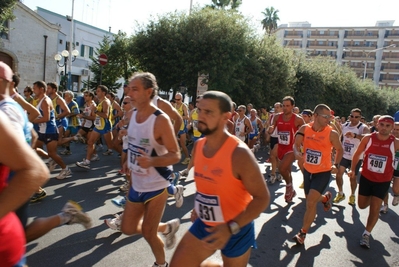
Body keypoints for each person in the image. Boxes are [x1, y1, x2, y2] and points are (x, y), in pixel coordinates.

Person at [170, 91, 270, 267]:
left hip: (237, 229)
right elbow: (206, 184)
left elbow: (262, 198)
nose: (201, 116)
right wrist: (198, 207)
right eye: (200, 110)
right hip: (206, 224)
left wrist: (231, 227)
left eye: (208, 112)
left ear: (226, 117)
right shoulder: (200, 146)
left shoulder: (240, 154)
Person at [120, 72, 182, 267]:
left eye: (135, 89)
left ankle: (161, 264)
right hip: (136, 183)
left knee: (148, 232)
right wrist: (128, 160)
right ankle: (166, 228)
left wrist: (151, 161)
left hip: (157, 186)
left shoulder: (160, 119)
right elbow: (136, 143)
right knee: (127, 228)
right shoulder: (132, 114)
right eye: (129, 88)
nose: (130, 93)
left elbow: (176, 155)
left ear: (149, 92)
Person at [292, 104, 343, 245]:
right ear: (315, 116)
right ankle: (325, 198)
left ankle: (302, 233)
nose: (328, 119)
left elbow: (340, 149)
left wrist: (336, 165)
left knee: (310, 202)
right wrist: (297, 154)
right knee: (311, 198)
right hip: (308, 170)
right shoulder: (304, 129)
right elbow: (296, 145)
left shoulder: (332, 133)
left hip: (323, 172)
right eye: (325, 116)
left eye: (330, 117)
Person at [348, 115, 399, 249]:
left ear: (392, 128)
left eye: (388, 126)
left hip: (383, 181)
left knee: (375, 208)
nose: (384, 128)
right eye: (382, 125)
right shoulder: (368, 138)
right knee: (362, 205)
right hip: (366, 177)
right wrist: (353, 170)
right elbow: (357, 153)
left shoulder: (395, 142)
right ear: (377, 125)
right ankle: (372, 198)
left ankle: (366, 234)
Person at [32, 81, 72, 179]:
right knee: (34, 148)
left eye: (35, 88)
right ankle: (51, 159)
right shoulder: (40, 100)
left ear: (41, 89)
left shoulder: (45, 101)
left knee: (52, 153)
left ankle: (65, 169)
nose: (33, 90)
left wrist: (32, 120)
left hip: (50, 131)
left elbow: (46, 118)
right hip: (42, 131)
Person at [268, 96, 305, 202]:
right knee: (287, 171)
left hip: (292, 147)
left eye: (287, 106)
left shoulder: (298, 119)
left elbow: (306, 131)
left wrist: (301, 145)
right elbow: (272, 128)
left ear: (293, 106)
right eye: (283, 106)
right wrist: (270, 129)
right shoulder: (277, 117)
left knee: (281, 168)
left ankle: (288, 187)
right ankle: (291, 190)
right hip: (281, 146)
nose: (285, 108)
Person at [333, 108, 370, 206]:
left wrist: (355, 136)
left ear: (360, 118)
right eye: (352, 116)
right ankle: (340, 193)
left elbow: (368, 137)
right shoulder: (345, 125)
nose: (354, 119)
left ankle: (352, 195)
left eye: (356, 117)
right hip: (345, 155)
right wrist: (335, 149)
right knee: (338, 174)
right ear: (350, 116)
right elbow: (341, 138)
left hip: (356, 157)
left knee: (352, 178)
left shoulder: (363, 127)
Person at [76, 85, 113, 169]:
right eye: (96, 90)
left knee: (113, 146)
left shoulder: (106, 102)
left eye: (98, 91)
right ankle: (87, 161)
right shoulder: (100, 101)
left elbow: (106, 115)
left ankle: (125, 155)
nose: (96, 92)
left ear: (103, 93)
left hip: (105, 126)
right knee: (90, 142)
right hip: (98, 125)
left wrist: (95, 110)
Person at [380, 121, 399, 213]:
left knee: (395, 189)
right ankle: (385, 205)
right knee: (384, 187)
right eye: (394, 129)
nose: (396, 131)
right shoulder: (387, 138)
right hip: (386, 167)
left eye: (398, 130)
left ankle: (396, 195)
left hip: (397, 168)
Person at [174, 92, 190, 164]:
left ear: (182, 99)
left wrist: (179, 117)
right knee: (172, 140)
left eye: (178, 99)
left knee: (183, 144)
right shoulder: (174, 105)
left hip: (182, 127)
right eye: (176, 99)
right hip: (175, 126)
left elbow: (187, 117)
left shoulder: (184, 106)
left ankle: (187, 158)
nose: (177, 101)